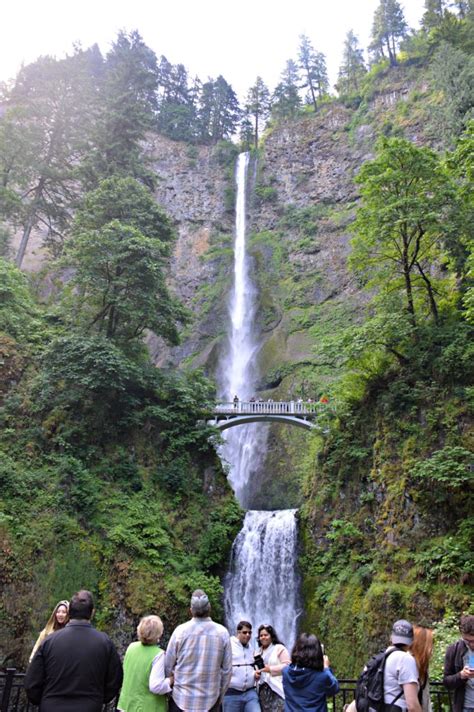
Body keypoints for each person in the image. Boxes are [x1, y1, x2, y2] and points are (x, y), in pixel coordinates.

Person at [24, 589, 123, 712]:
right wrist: (99, 699)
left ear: (69, 612)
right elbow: (115, 680)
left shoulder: (49, 641)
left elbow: (32, 682)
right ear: (92, 612)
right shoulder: (105, 642)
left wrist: (44, 700)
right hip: (89, 706)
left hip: (51, 706)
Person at [165, 589, 232, 712]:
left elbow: (168, 667)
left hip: (181, 700)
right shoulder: (222, 633)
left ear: (191, 610)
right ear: (209, 608)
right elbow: (227, 671)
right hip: (210, 702)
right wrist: (220, 697)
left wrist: (170, 693)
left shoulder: (180, 631)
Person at [117, 614, 172, 712]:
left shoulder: (131, 647)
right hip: (147, 707)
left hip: (126, 705)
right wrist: (171, 680)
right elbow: (156, 686)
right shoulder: (158, 655)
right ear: (158, 634)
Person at [282, 632, 339, 712]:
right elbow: (334, 689)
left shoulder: (286, 672)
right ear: (317, 652)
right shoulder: (322, 675)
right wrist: (326, 668)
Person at [384, 619, 422, 712]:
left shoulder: (380, 657)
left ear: (391, 638)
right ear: (411, 641)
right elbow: (412, 705)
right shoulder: (406, 659)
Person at [223, 620, 260, 712]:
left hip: (250, 692)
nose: (247, 635)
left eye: (249, 632)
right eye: (244, 632)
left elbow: (251, 667)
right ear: (238, 632)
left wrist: (254, 674)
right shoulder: (228, 644)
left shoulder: (251, 647)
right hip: (231, 693)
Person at [255, 624, 291, 712]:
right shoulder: (257, 652)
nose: (263, 637)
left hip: (278, 688)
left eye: (266, 635)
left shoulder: (279, 648)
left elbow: (288, 666)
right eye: (261, 635)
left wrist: (270, 669)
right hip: (262, 690)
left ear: (271, 636)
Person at [443, 614, 474, 712]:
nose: (471, 644)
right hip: (464, 707)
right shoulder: (453, 650)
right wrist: (461, 675)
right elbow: (446, 682)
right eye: (467, 641)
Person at [410, 625, 434, 712]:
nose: (432, 649)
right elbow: (412, 705)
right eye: (431, 643)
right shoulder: (408, 663)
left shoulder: (423, 666)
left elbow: (425, 697)